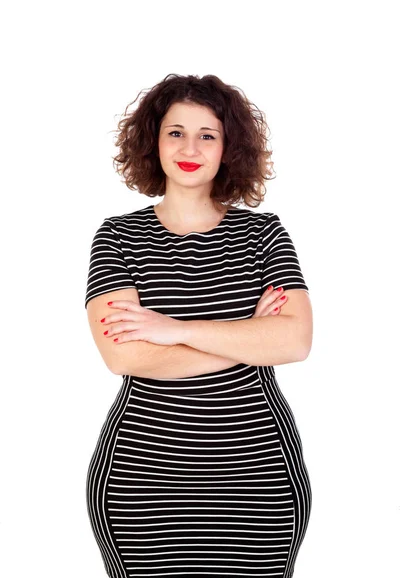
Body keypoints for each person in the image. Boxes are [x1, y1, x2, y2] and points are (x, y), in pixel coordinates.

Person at [84, 73, 313, 578]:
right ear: (153, 141)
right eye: (175, 132)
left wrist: (174, 328)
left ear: (229, 146)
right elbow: (125, 356)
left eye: (207, 134)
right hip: (142, 478)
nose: (190, 147)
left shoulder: (263, 232)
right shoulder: (118, 236)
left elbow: (294, 340)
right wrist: (249, 337)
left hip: (258, 474)